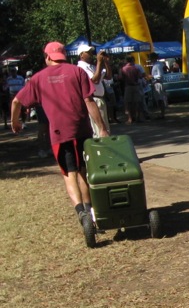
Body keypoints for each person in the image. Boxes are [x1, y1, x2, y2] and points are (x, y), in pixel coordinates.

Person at [10, 41, 109, 226]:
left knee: (69, 173)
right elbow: (89, 101)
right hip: (82, 130)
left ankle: (81, 213)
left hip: (59, 133)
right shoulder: (77, 72)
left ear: (47, 57)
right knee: (83, 170)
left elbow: (16, 101)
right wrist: (102, 128)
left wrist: (15, 122)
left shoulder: (38, 78)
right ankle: (90, 211)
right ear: (63, 55)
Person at [76, 44, 111, 137]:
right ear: (81, 55)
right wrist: (99, 62)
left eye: (91, 52)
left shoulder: (92, 67)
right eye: (88, 52)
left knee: (105, 127)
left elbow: (108, 76)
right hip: (92, 99)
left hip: (99, 98)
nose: (91, 54)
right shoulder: (81, 67)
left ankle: (105, 146)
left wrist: (106, 63)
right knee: (99, 129)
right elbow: (94, 80)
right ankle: (101, 148)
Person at [120, 56, 143, 124]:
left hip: (128, 86)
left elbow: (121, 77)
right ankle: (137, 117)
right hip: (136, 86)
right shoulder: (136, 68)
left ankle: (130, 118)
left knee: (128, 103)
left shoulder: (123, 69)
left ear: (126, 61)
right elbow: (140, 76)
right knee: (137, 102)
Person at [149, 52, 167, 119]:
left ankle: (162, 114)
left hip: (158, 83)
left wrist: (152, 76)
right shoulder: (155, 65)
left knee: (160, 99)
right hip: (156, 83)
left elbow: (160, 75)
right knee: (158, 99)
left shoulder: (158, 65)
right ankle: (161, 113)